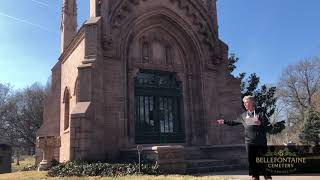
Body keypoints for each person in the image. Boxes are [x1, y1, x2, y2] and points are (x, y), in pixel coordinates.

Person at [217, 95, 273, 180]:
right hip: (249, 142)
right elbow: (234, 122)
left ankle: (267, 177)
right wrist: (224, 121)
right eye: (244, 103)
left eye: (246, 102)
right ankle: (255, 177)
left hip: (260, 141)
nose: (245, 104)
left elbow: (270, 127)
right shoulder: (243, 115)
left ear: (252, 102)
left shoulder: (261, 112)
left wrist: (260, 123)